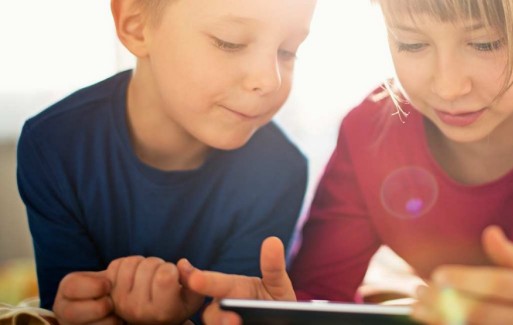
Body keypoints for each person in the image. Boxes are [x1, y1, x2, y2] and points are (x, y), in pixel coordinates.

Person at [180, 0, 513, 323]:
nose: (448, 86)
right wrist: (281, 311)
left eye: (483, 43)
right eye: (411, 44)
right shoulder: (369, 134)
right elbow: (319, 292)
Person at [16, 0, 317, 323]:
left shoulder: (281, 171)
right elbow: (62, 304)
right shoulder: (54, 144)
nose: (269, 80)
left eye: (287, 51)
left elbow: (234, 312)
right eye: (230, 41)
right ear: (136, 25)